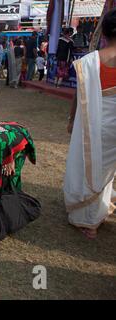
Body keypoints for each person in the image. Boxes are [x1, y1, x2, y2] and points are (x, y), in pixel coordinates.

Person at [64, 8, 116, 239]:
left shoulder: (88, 62)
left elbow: (78, 95)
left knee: (91, 167)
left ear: (102, 33)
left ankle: (89, 219)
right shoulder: (87, 62)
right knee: (106, 170)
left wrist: (72, 119)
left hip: (91, 123)